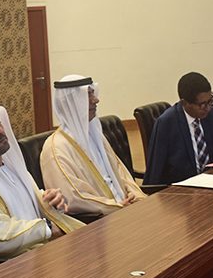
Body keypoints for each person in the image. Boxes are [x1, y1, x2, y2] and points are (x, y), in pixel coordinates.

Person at [0, 103, 85, 260]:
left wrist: (53, 202)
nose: (0, 130)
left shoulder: (12, 167)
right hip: (7, 267)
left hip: (41, 253)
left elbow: (33, 208)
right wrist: (47, 228)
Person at [39, 75, 145, 216]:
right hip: (101, 221)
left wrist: (134, 194)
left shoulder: (95, 135)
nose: (96, 100)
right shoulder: (56, 148)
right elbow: (73, 198)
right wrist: (117, 206)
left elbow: (120, 171)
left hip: (125, 209)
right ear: (72, 102)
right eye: (88, 95)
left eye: (93, 93)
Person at [144, 72, 213, 186]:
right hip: (183, 189)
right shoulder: (167, 123)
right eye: (202, 104)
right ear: (184, 103)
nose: (207, 108)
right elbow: (156, 169)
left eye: (210, 101)